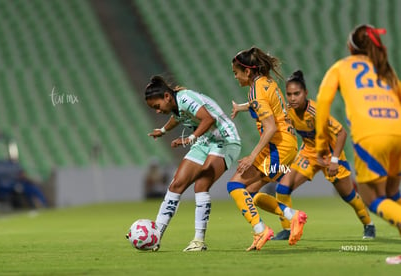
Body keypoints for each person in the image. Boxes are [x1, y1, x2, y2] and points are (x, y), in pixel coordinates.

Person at [315, 24, 401, 245]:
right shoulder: (385, 69)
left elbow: (323, 103)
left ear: (351, 47)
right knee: (392, 194)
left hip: (370, 136)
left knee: (371, 197)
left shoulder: (340, 67)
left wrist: (321, 145)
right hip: (398, 133)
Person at [267, 70, 375, 241]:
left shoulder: (317, 112)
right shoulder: (288, 110)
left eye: (297, 94)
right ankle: (287, 229)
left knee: (349, 196)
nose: (293, 98)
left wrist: (334, 161)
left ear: (305, 93)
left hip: (329, 155)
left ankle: (369, 225)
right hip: (309, 153)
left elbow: (341, 133)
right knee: (282, 188)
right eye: (289, 94)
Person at [145, 75, 242, 251]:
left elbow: (208, 119)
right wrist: (163, 130)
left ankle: (199, 240)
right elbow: (178, 117)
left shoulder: (186, 98)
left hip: (225, 140)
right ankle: (156, 235)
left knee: (201, 185)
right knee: (176, 185)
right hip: (205, 141)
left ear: (167, 96)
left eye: (157, 106)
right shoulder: (176, 105)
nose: (157, 111)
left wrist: (189, 139)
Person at [228, 46, 307, 251]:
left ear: (247, 71)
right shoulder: (267, 83)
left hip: (277, 146)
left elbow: (270, 127)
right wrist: (241, 107)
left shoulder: (255, 90)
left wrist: (252, 156)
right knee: (250, 194)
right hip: (288, 144)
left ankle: (261, 230)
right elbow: (262, 104)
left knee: (235, 185)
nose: (235, 77)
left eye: (236, 73)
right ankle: (292, 216)